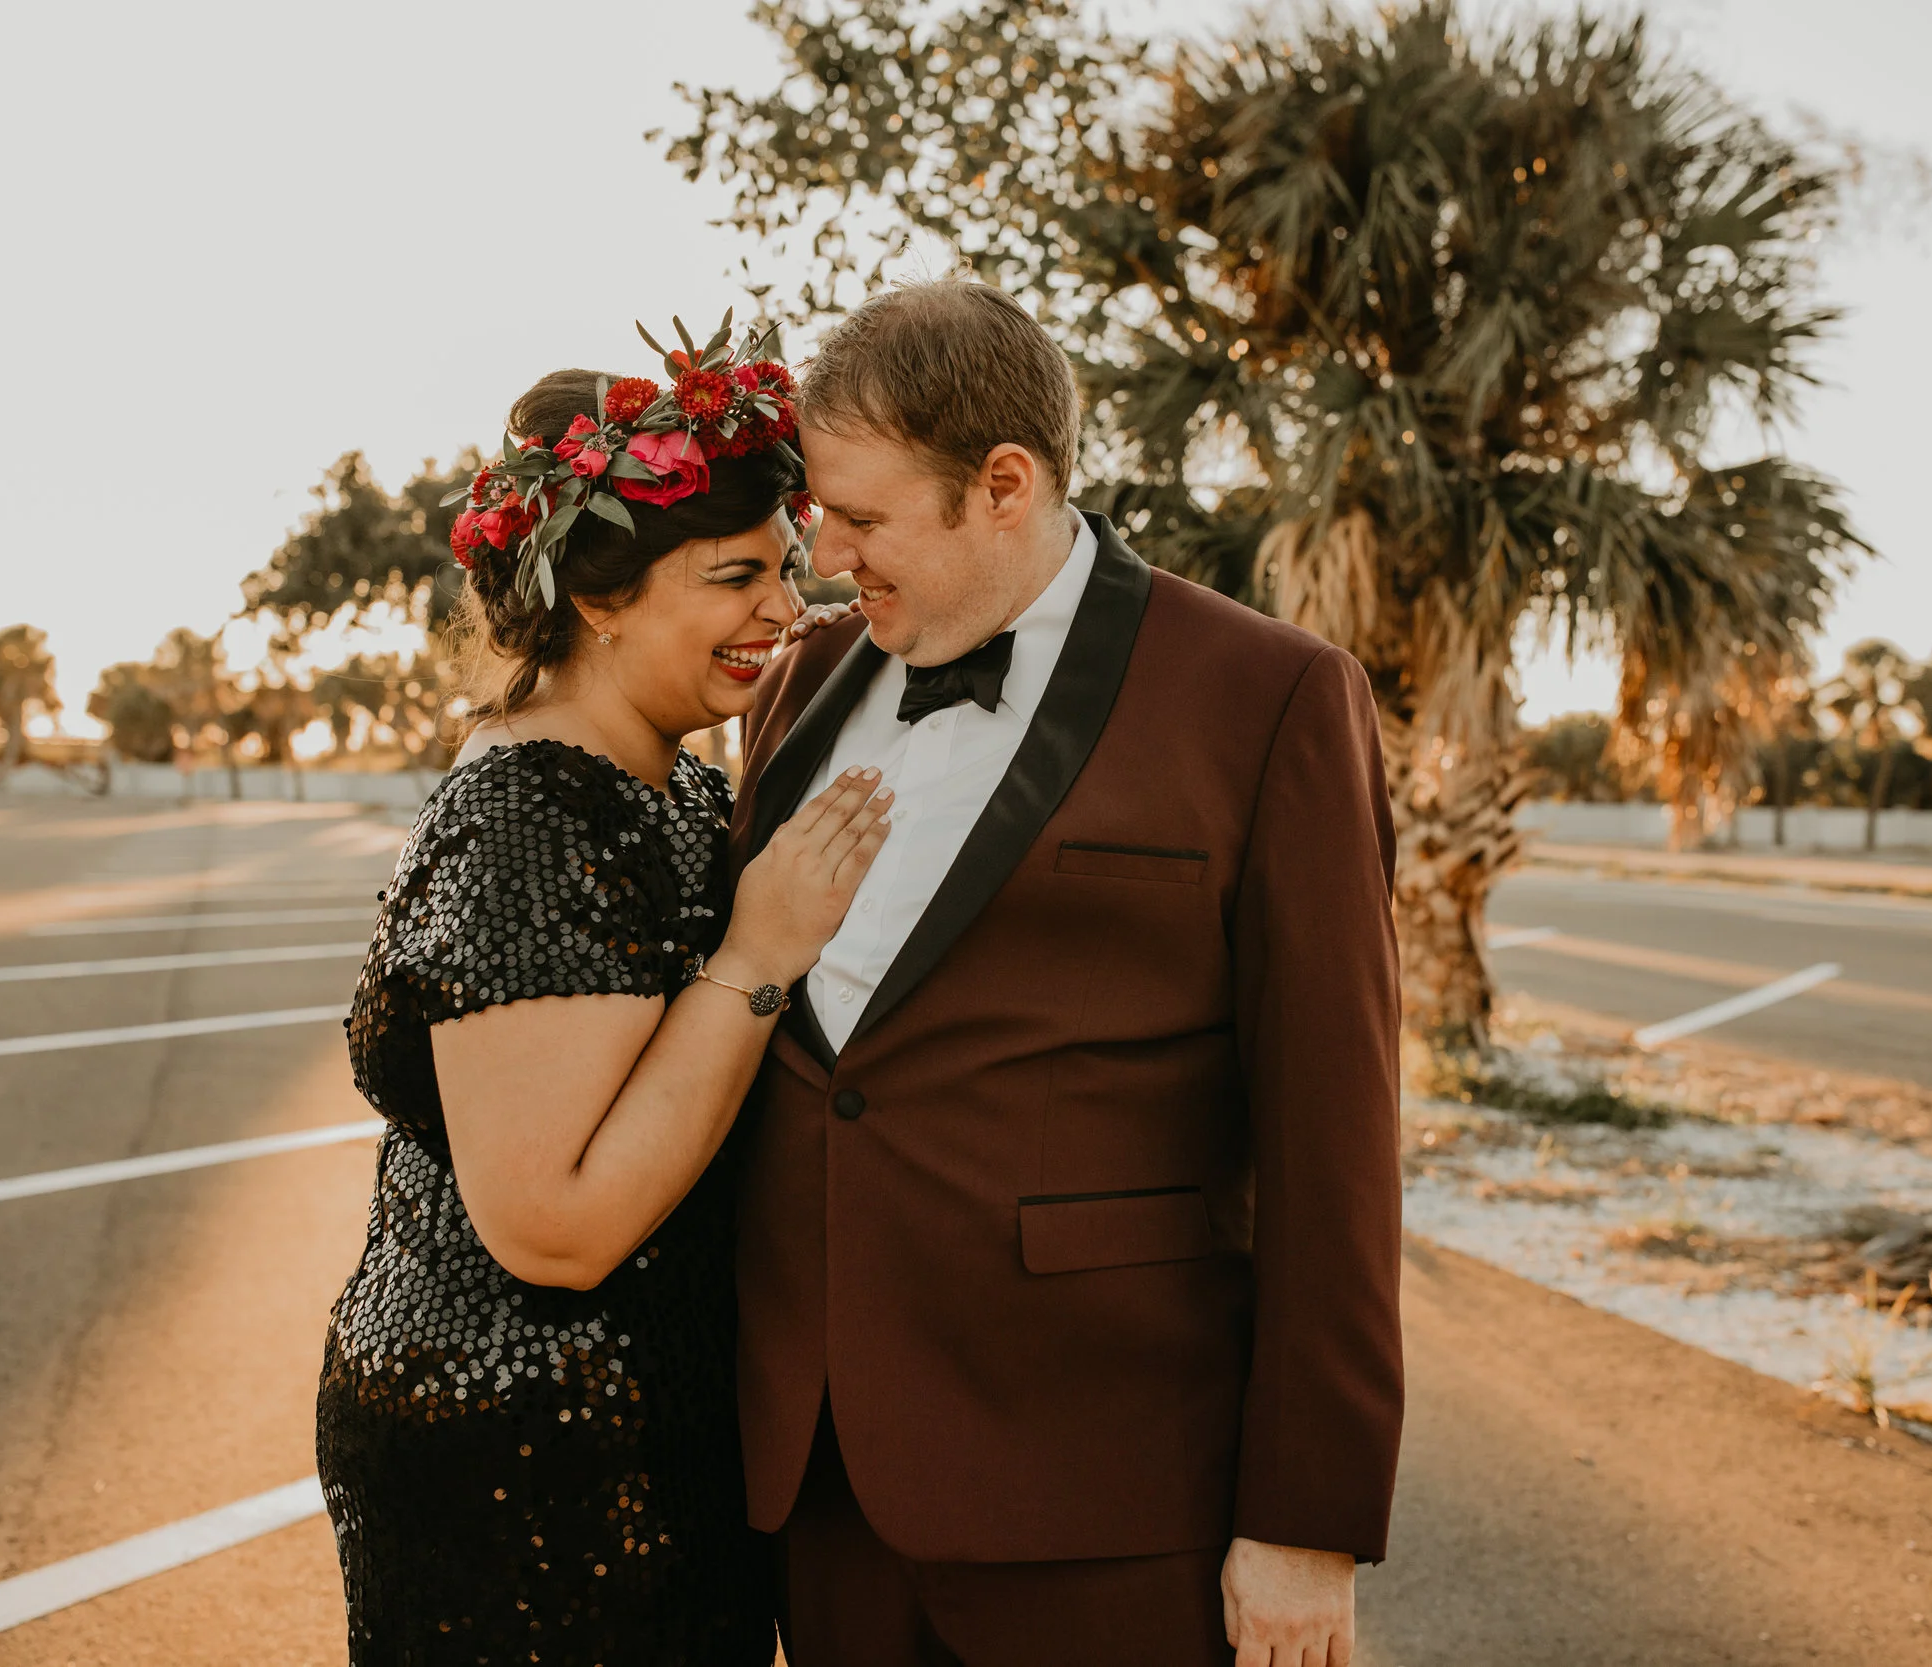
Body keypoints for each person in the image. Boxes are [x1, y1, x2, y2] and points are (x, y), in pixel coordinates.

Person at [731, 278, 1406, 1667]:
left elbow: (1334, 1131)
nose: (825, 554)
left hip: (1107, 1494)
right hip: (827, 1484)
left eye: (861, 520)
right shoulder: (801, 683)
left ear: (1003, 482)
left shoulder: (1266, 696)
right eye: (819, 516)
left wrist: (1307, 1515)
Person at [316, 319, 889, 1667]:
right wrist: (758, 955)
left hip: (656, 1428)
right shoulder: (528, 812)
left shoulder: (678, 783)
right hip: (522, 1458)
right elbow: (557, 1225)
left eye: (789, 569)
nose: (787, 608)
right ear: (599, 596)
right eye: (738, 574)